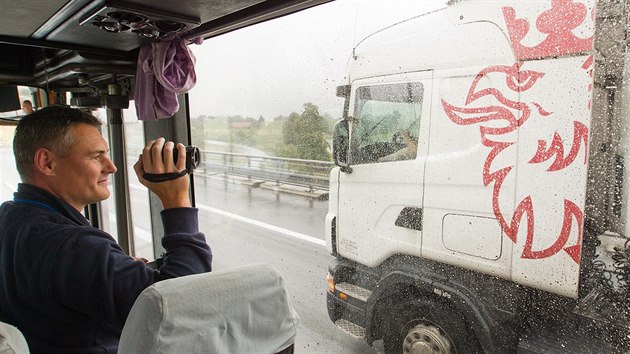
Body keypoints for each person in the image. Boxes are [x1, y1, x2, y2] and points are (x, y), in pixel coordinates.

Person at [0, 106, 213, 354]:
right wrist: (176, 200)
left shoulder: (10, 216)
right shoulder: (75, 247)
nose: (111, 167)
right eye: (95, 156)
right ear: (46, 162)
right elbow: (187, 309)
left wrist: (112, 268)